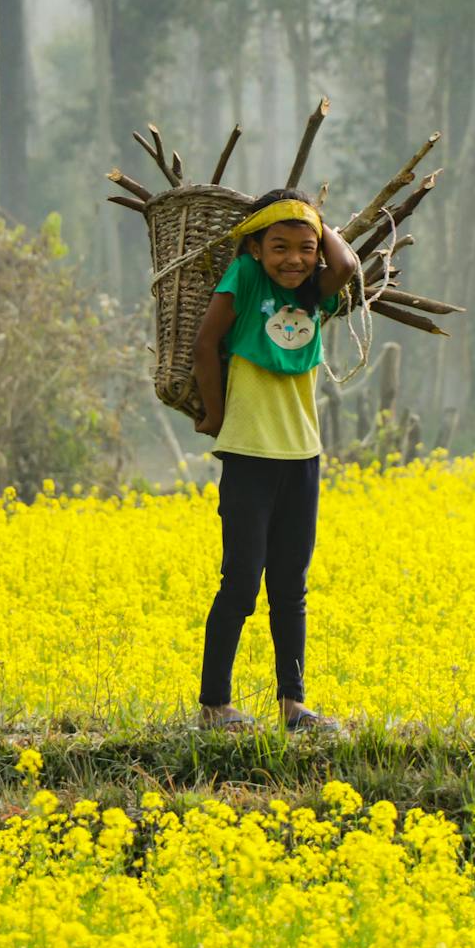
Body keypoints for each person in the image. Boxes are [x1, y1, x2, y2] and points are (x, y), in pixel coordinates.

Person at [190, 189, 358, 732]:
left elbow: (347, 264)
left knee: (290, 584)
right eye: (279, 246)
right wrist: (214, 414)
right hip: (248, 452)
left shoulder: (317, 293)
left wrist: (313, 219)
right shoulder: (244, 278)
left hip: (302, 455)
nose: (294, 258)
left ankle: (294, 705)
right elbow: (204, 344)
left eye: (305, 248)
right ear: (256, 249)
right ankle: (215, 704)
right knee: (240, 582)